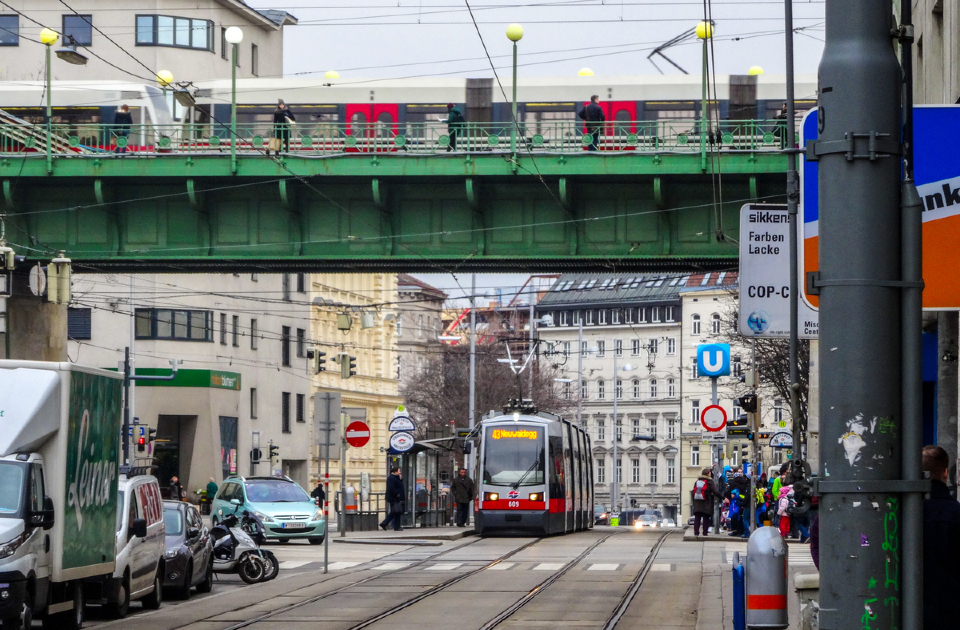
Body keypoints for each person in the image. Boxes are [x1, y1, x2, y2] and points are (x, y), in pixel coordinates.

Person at [922, 445, 960, 628]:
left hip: (902, 608)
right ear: (946, 473)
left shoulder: (900, 514)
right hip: (950, 609)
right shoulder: (955, 513)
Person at [691, 468, 722, 536]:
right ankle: (705, 533)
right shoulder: (709, 481)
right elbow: (715, 491)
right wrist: (722, 497)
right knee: (706, 518)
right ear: (708, 474)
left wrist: (694, 502)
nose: (711, 474)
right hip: (706, 502)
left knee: (697, 518)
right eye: (710, 473)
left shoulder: (697, 481)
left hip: (697, 502)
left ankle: (696, 532)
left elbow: (693, 491)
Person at [380, 467, 405, 532]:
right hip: (393, 498)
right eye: (399, 471)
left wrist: (400, 478)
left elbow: (399, 485)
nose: (400, 472)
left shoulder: (396, 478)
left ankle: (386, 524)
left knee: (395, 512)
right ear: (395, 471)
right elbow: (391, 488)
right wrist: (397, 495)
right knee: (395, 511)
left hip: (397, 497)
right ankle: (393, 526)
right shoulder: (391, 478)